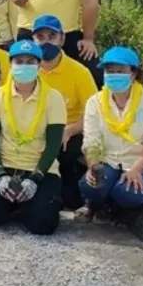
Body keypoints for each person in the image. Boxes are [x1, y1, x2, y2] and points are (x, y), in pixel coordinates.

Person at [0, 40, 67, 235]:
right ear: (10, 64)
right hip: (5, 162)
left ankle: (25, 205)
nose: (24, 66)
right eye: (19, 61)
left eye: (30, 61)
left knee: (43, 225)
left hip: (40, 167)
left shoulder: (54, 98)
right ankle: (13, 203)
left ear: (39, 65)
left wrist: (35, 178)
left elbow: (53, 144)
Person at [75, 46, 143, 223]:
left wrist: (136, 169)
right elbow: (91, 141)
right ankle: (96, 203)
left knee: (128, 193)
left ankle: (109, 208)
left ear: (133, 74)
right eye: (110, 71)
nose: (114, 75)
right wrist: (93, 166)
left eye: (121, 71)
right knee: (91, 186)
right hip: (109, 162)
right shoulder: (95, 102)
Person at [31, 14, 98, 210]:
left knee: (69, 151)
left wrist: (70, 129)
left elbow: (95, 112)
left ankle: (69, 186)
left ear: (62, 39)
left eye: (51, 36)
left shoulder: (79, 72)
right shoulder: (24, 69)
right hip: (32, 129)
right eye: (40, 37)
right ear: (33, 40)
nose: (46, 42)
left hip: (68, 132)